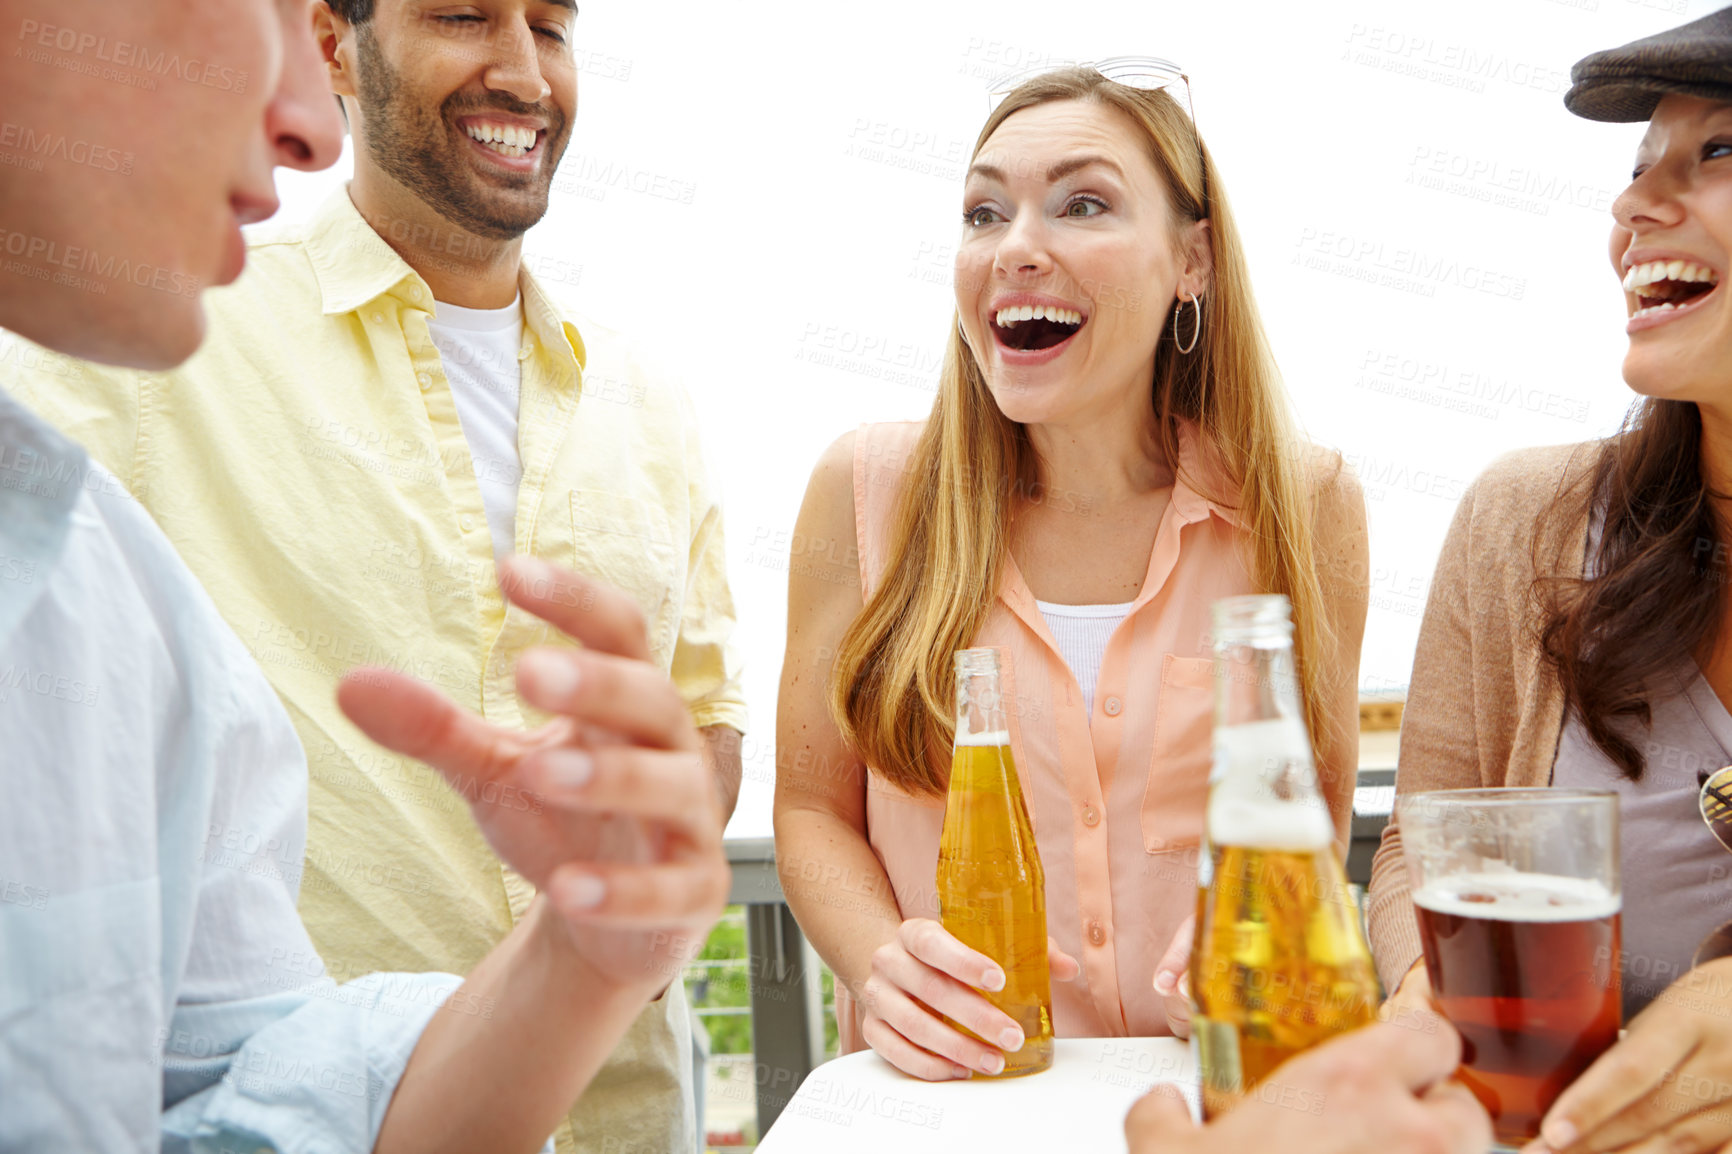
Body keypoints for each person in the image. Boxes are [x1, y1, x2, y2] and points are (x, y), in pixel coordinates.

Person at [10, 0, 747, 1148]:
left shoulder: (645, 399)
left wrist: (606, 930)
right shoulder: (157, 327)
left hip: (617, 1105)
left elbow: (702, 716)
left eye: (551, 28)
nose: (524, 70)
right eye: (462, 13)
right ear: (335, 42)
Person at [773, 62, 1369, 1080]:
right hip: (957, 1106)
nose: (1015, 248)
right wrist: (884, 964)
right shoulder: (864, 492)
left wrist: (1252, 926)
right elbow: (811, 806)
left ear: (1193, 259)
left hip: (1208, 1102)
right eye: (983, 212)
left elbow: (1308, 796)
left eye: (1082, 203)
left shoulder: (1302, 506)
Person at [1368, 9, 1732, 1154]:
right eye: (1635, 172)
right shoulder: (1525, 521)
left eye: (1716, 152)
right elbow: (1417, 842)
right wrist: (1419, 990)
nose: (1631, 210)